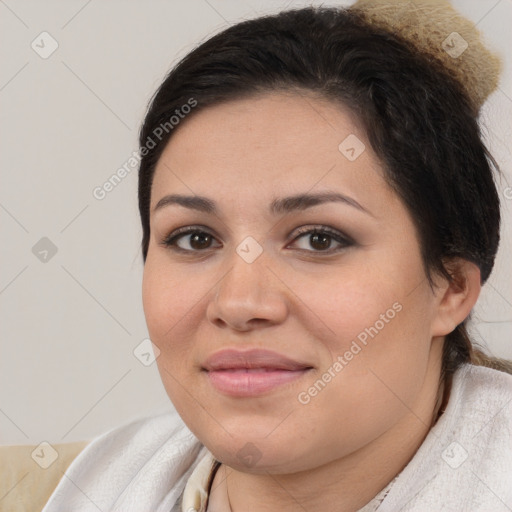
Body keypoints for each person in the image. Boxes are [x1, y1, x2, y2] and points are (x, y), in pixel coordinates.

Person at [42, 0, 512, 510]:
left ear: (451, 286)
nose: (240, 303)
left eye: (318, 239)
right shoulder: (74, 487)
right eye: (196, 238)